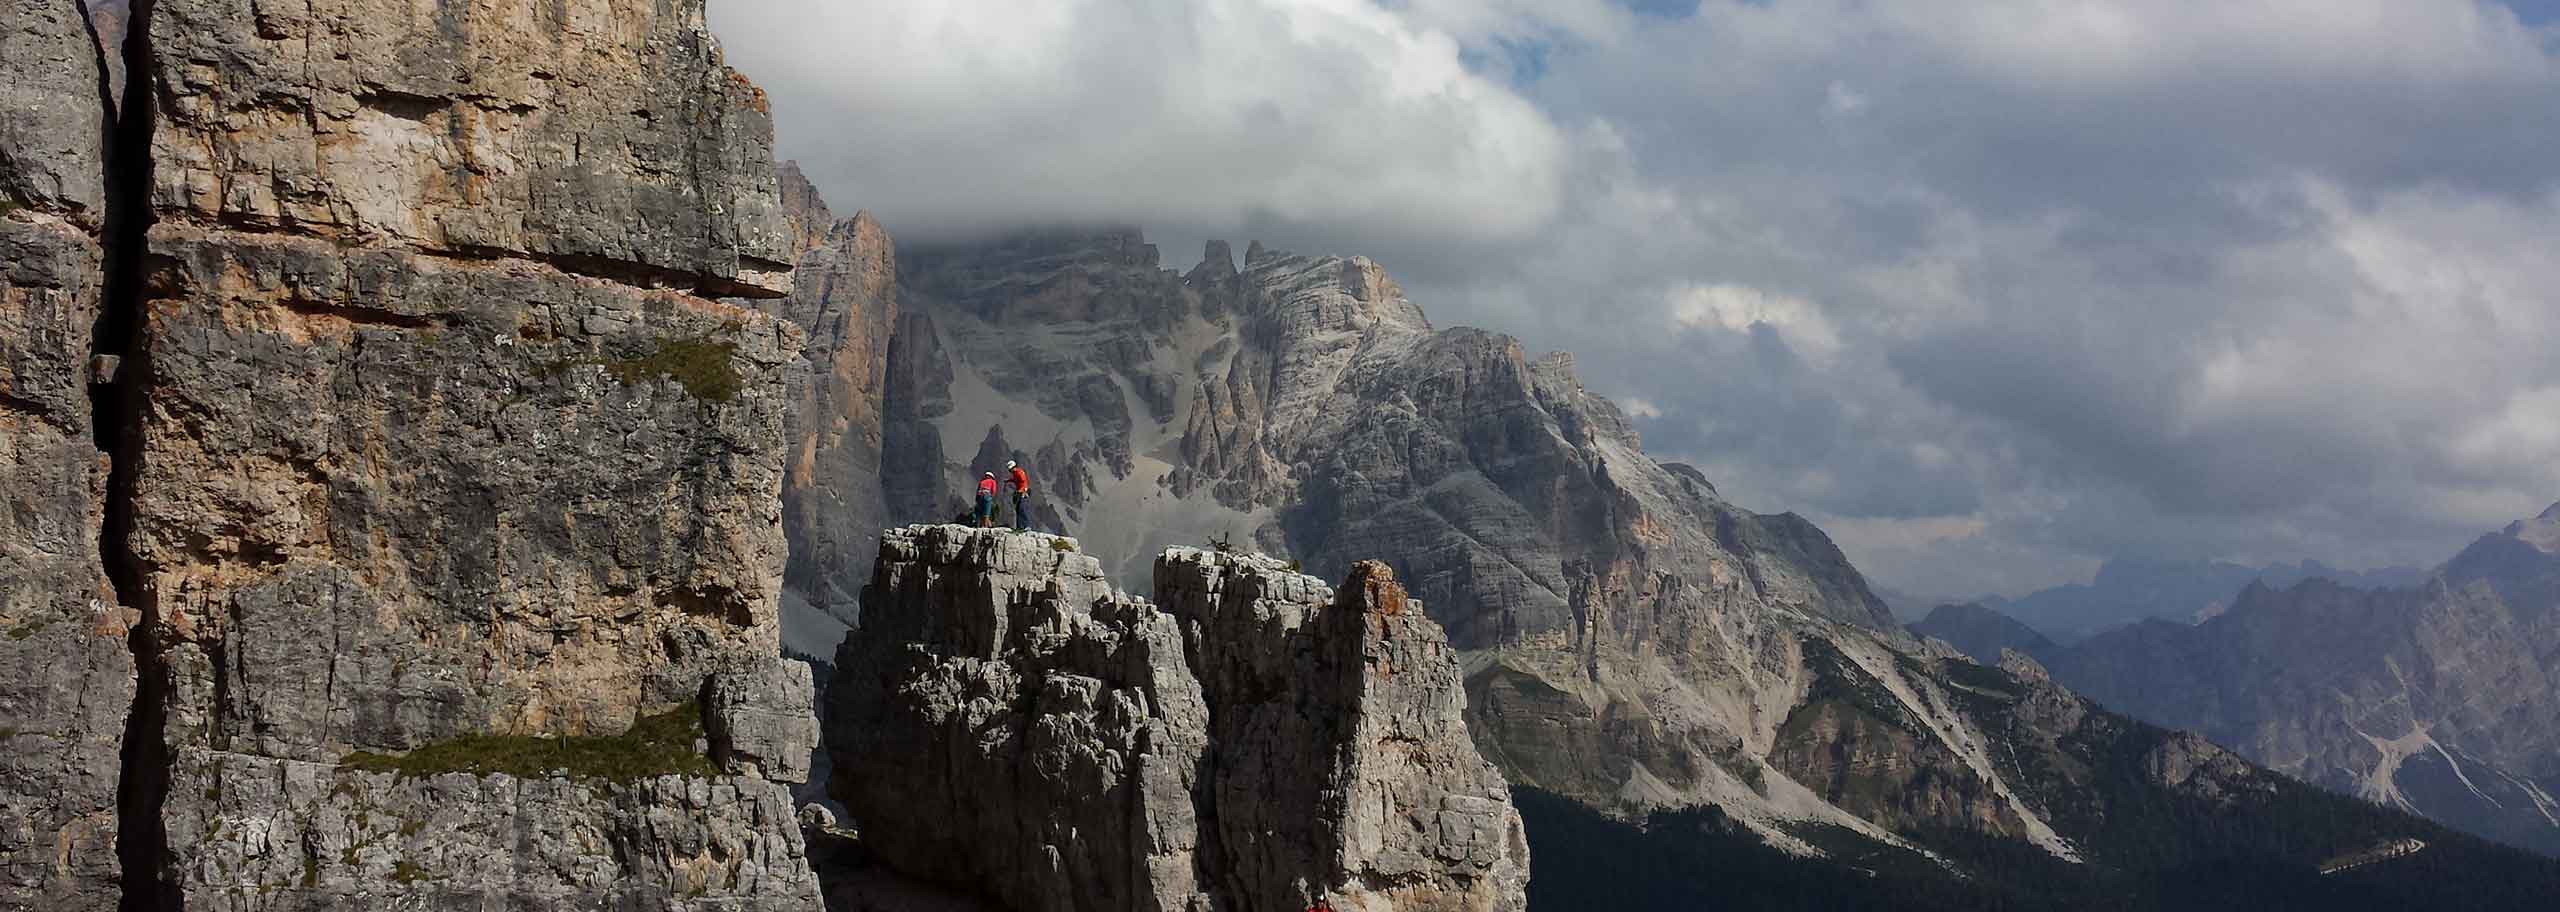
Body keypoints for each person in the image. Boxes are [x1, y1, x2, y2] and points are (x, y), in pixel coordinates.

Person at [1007, 460, 1032, 532]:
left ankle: (1026, 526)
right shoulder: (1015, 473)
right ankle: (1019, 526)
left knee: (1022, 508)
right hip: (1019, 492)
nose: (1010, 471)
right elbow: (1015, 480)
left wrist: (1021, 490)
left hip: (1023, 492)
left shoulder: (1019, 471)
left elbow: (1023, 481)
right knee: (1018, 509)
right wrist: (1009, 480)